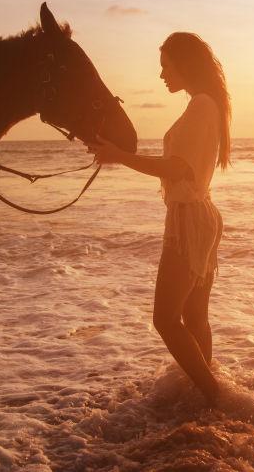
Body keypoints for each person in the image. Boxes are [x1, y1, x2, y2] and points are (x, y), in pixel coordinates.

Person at [85, 32, 231, 404]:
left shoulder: (200, 105)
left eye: (166, 65)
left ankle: (212, 395)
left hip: (190, 221)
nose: (162, 74)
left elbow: (178, 168)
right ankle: (206, 392)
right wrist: (115, 151)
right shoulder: (205, 104)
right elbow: (180, 166)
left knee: (166, 320)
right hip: (199, 215)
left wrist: (119, 156)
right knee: (194, 315)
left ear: (185, 64)